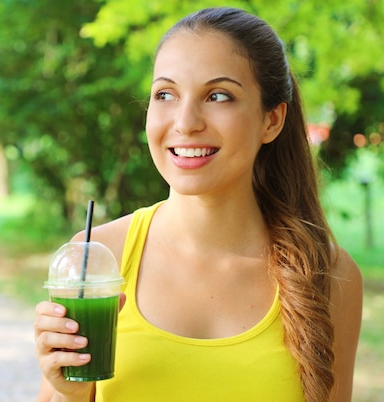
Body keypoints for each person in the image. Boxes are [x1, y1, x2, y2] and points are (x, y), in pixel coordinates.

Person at [34, 7, 363, 402]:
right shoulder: (99, 259)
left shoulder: (328, 275)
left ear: (272, 121)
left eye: (218, 95)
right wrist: (68, 392)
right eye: (165, 94)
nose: (185, 121)